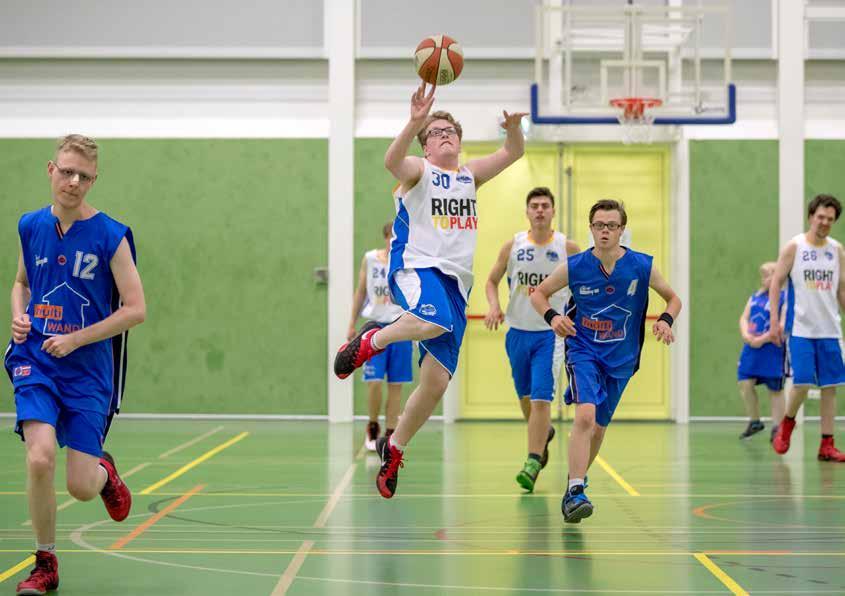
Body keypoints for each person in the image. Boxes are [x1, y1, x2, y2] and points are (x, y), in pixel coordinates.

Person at [334, 81, 527, 498]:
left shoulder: (469, 175)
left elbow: (514, 153)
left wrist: (512, 128)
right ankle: (373, 340)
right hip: (418, 268)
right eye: (436, 133)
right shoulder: (420, 171)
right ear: (426, 146)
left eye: (450, 131)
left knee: (436, 383)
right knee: (426, 319)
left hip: (457, 284)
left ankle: (395, 449)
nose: (446, 136)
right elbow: (391, 161)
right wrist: (414, 121)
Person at [4, 134, 146, 594]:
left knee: (82, 487)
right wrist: (18, 316)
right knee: (40, 456)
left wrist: (77, 339)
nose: (73, 182)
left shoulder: (111, 235)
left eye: (83, 176)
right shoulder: (31, 226)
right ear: (51, 169)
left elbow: (135, 309)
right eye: (66, 171)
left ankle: (103, 472)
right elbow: (21, 283)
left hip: (86, 368)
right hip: (37, 360)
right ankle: (46, 561)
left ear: (93, 181)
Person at [530, 199, 681, 523]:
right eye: (599, 225)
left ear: (622, 230)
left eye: (612, 226)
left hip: (622, 359)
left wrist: (666, 320)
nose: (605, 231)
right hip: (583, 350)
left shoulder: (641, 266)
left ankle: (578, 478)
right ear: (591, 228)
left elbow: (673, 298)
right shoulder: (576, 265)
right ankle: (574, 491)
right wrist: (553, 317)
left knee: (598, 428)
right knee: (584, 416)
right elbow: (537, 294)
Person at [483, 186, 580, 491]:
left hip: (549, 336)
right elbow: (491, 280)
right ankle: (543, 433)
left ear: (553, 211)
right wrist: (495, 305)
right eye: (534, 205)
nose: (540, 210)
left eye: (545, 205)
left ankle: (533, 460)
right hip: (517, 332)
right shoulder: (513, 245)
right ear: (527, 211)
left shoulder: (568, 247)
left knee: (541, 399)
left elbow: (586, 282)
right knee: (525, 397)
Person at [770, 194, 845, 461]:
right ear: (811, 216)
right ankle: (787, 425)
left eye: (830, 219)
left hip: (830, 331)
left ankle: (827, 444)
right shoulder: (795, 247)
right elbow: (776, 282)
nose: (824, 222)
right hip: (801, 329)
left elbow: (841, 289)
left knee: (830, 387)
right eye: (820, 216)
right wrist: (773, 322)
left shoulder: (836, 250)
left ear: (834, 222)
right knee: (801, 384)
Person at [347, 222, 413, 451]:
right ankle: (373, 425)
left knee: (396, 385)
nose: (394, 241)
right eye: (391, 237)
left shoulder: (408, 261)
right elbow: (360, 292)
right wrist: (351, 324)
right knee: (374, 382)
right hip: (375, 327)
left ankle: (391, 432)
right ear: (385, 237)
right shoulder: (370, 259)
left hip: (401, 326)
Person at [737, 262, 786, 440]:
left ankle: (778, 427)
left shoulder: (784, 298)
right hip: (751, 347)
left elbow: (782, 324)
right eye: (763, 276)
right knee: (745, 382)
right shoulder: (755, 297)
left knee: (775, 389)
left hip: (772, 349)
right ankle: (755, 421)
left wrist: (762, 339)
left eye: (770, 275)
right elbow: (744, 317)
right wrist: (746, 335)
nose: (765, 279)